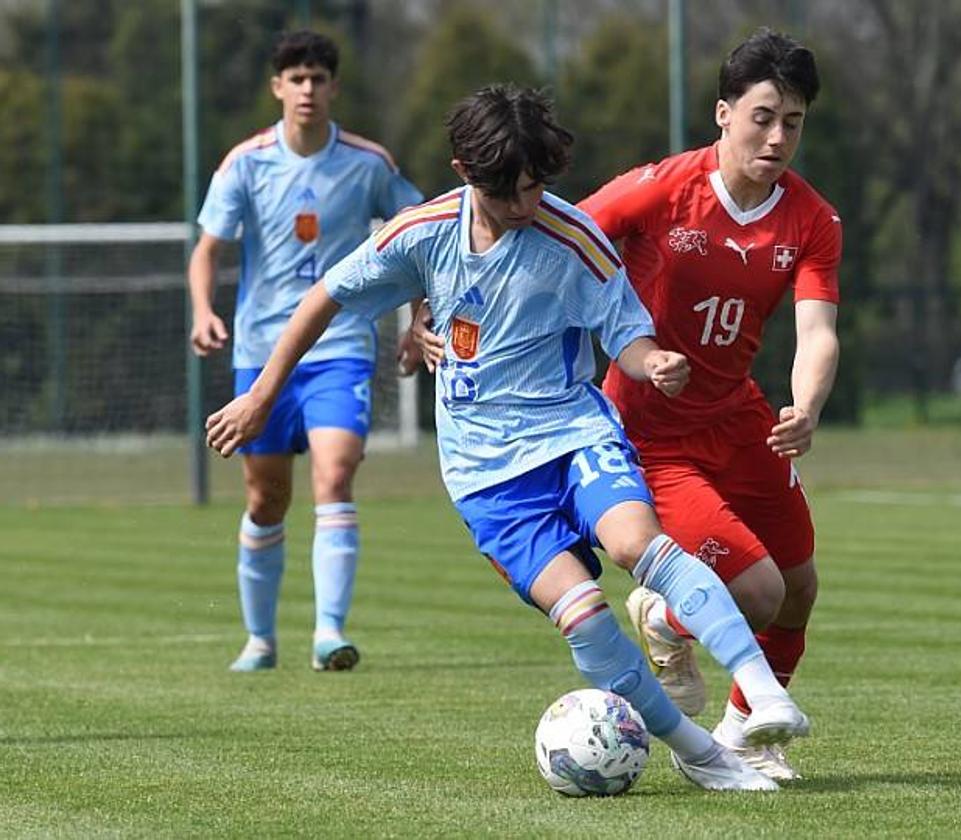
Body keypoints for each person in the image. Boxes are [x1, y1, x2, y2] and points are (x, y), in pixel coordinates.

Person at [205, 84, 808, 791]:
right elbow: (325, 299)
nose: (526, 205)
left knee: (636, 543)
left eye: (536, 186)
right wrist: (261, 394)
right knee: (582, 615)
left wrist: (654, 363)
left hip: (571, 433)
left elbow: (626, 331)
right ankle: (703, 755)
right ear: (466, 171)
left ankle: (760, 686)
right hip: (487, 476)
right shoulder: (422, 233)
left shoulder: (570, 235)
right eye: (509, 193)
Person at [409, 29, 839, 781]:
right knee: (759, 594)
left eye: (793, 122)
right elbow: (539, 232)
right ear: (722, 113)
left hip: (740, 417)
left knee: (799, 587)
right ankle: (667, 619)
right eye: (762, 116)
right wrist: (431, 316)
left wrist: (804, 404)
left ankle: (743, 732)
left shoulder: (811, 219)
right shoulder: (661, 189)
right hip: (648, 428)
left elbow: (818, 330)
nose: (777, 137)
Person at [188, 30, 422, 672]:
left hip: (341, 345)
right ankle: (260, 641)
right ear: (278, 88)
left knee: (336, 470)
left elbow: (422, 237)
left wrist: (417, 317)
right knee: (266, 499)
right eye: (297, 78)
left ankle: (328, 633)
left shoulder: (369, 163)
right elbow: (207, 248)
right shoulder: (247, 162)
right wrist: (204, 311)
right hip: (263, 354)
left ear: (333, 86)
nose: (308, 90)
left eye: (318, 78)